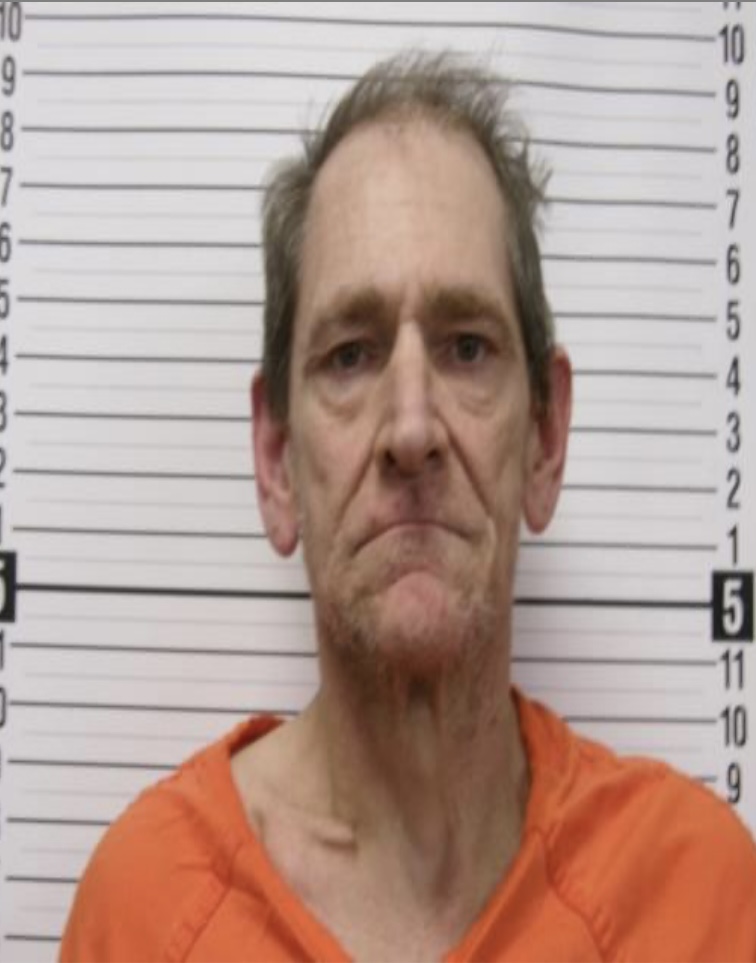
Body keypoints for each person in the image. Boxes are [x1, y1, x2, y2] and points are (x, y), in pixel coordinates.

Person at [60, 52, 756, 962]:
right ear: (276, 461)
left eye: (467, 347)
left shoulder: (701, 895)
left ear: (545, 439)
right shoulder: (143, 913)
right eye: (351, 355)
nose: (413, 427)